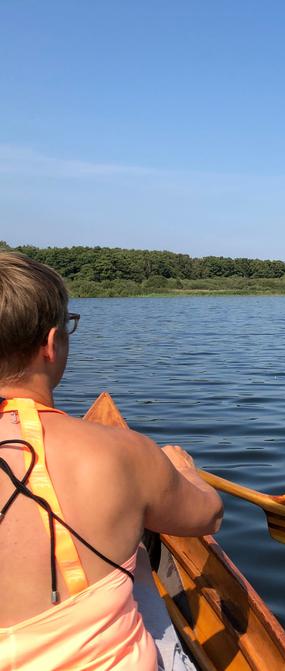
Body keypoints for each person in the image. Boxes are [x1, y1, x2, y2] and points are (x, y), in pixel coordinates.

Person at [0, 251, 224, 670]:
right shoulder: (126, 454)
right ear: (50, 344)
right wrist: (184, 472)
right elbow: (207, 517)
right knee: (139, 556)